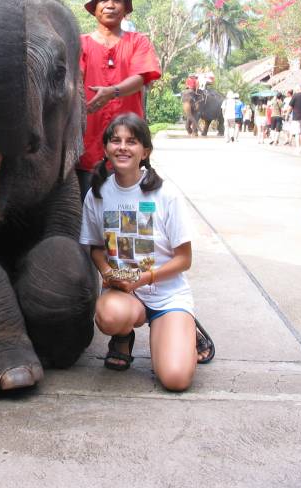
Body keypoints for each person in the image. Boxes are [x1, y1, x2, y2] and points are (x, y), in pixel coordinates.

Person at [79, 113, 214, 391]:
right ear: (106, 148)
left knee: (175, 379)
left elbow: (184, 259)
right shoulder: (97, 194)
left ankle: (184, 327)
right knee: (109, 316)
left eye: (131, 141)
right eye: (115, 140)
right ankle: (123, 336)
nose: (122, 147)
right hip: (124, 294)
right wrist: (107, 272)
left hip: (166, 294)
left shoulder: (166, 195)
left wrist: (145, 278)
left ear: (145, 151)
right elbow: (96, 247)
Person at [76, 0, 162, 200]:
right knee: (89, 207)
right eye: (104, 0)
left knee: (129, 210)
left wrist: (112, 91)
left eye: (117, 0)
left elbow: (141, 77)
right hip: (88, 144)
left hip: (129, 144)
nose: (110, 5)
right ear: (95, 9)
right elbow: (73, 78)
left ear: (125, 9)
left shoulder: (138, 41)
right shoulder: (80, 44)